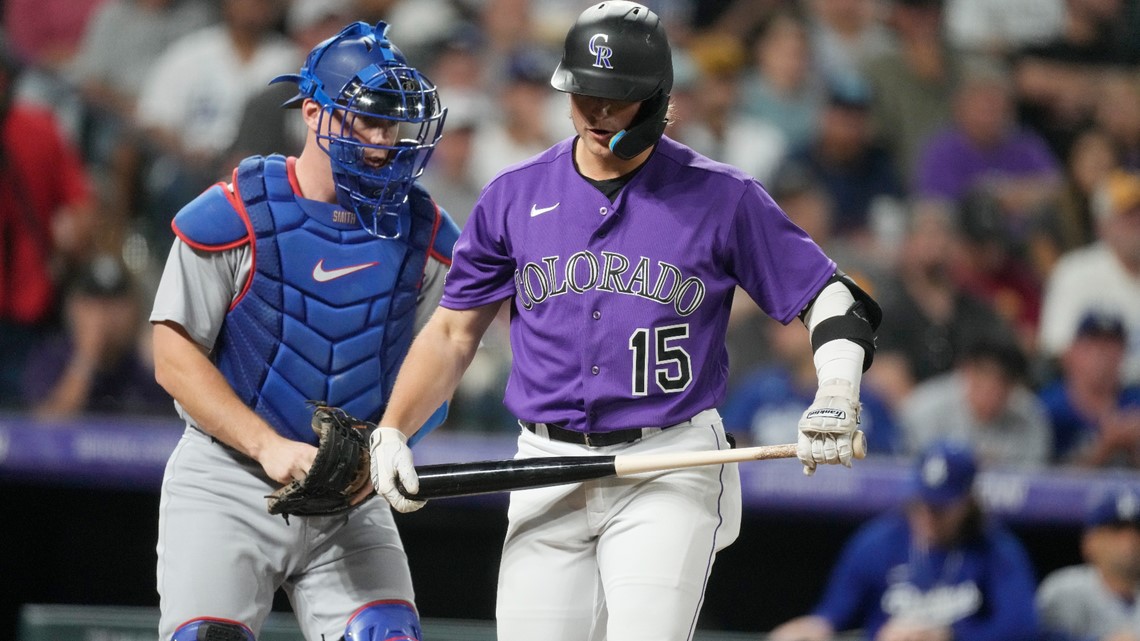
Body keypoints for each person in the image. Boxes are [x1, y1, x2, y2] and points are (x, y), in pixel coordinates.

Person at [368, 3, 881, 640]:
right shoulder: (515, 193)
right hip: (545, 459)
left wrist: (836, 388)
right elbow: (452, 332)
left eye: (616, 97)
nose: (597, 111)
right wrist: (394, 427)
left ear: (659, 100)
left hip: (666, 462)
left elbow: (832, 296)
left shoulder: (720, 194)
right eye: (585, 92)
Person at [148, 21, 458, 641]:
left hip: (349, 496)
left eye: (394, 124)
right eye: (366, 120)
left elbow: (438, 365)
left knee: (387, 637)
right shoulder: (239, 209)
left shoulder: (426, 234)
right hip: (230, 478)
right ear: (313, 112)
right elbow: (172, 357)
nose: (383, 140)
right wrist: (267, 446)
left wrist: (393, 446)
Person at [769, 440, 1040, 641]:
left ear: (967, 502)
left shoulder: (996, 549)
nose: (927, 516)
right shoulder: (878, 541)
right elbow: (833, 614)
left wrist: (945, 636)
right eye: (921, 503)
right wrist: (810, 629)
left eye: (940, 509)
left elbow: (1021, 628)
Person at [23, 253, 172, 418]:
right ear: (73, 307)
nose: (104, 315)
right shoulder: (52, 356)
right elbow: (44, 430)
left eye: (115, 301)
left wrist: (165, 363)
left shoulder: (146, 361)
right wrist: (85, 361)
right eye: (94, 302)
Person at [1037, 485, 1140, 641]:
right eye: (1117, 530)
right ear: (1089, 541)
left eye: (1137, 530)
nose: (1130, 541)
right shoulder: (1063, 591)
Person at [1039, 311, 1140, 467]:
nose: (1102, 354)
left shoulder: (1135, 402)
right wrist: (1105, 446)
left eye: (1111, 345)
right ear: (1072, 351)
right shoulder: (1046, 408)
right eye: (1093, 344)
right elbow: (1039, 484)